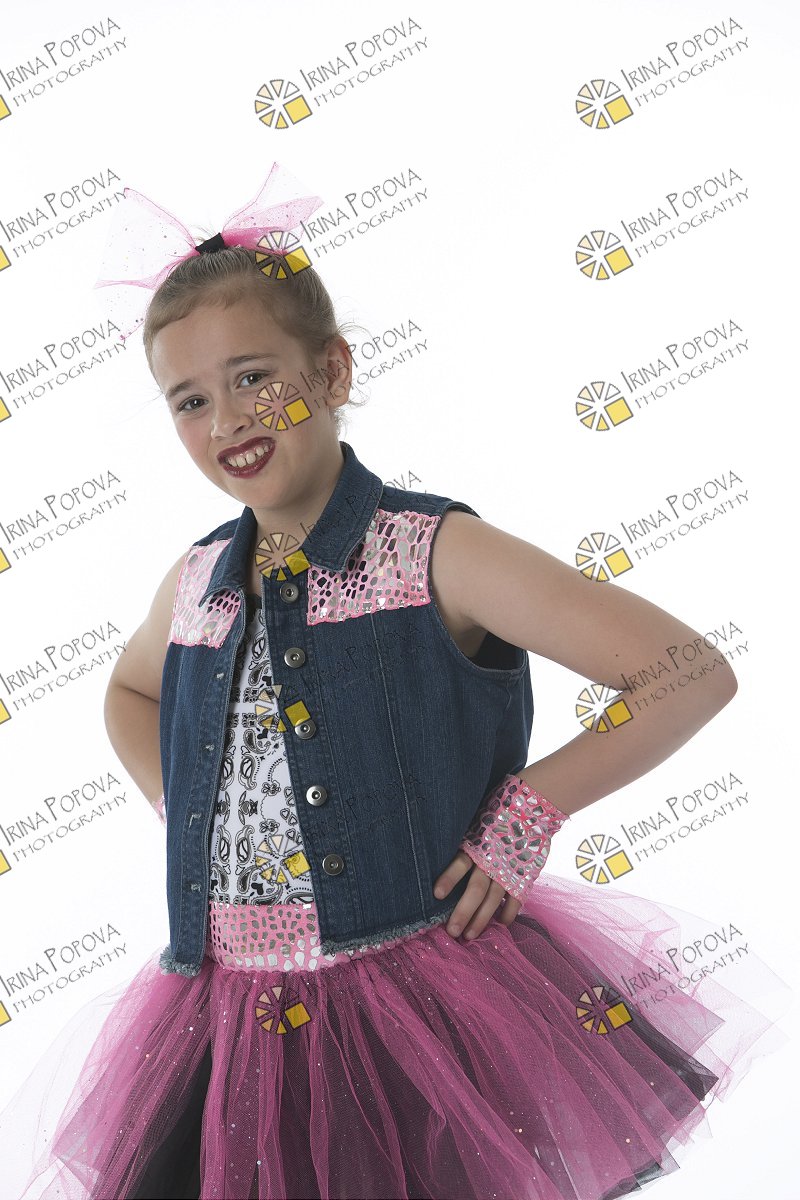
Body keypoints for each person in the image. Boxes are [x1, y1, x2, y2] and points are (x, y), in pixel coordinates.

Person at [2, 165, 785, 1200]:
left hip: (407, 1006)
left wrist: (527, 813)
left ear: (331, 369)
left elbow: (685, 673)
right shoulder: (196, 581)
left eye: (252, 376)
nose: (226, 418)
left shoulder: (430, 553)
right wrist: (185, 802)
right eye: (189, 399)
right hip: (224, 1013)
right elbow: (128, 694)